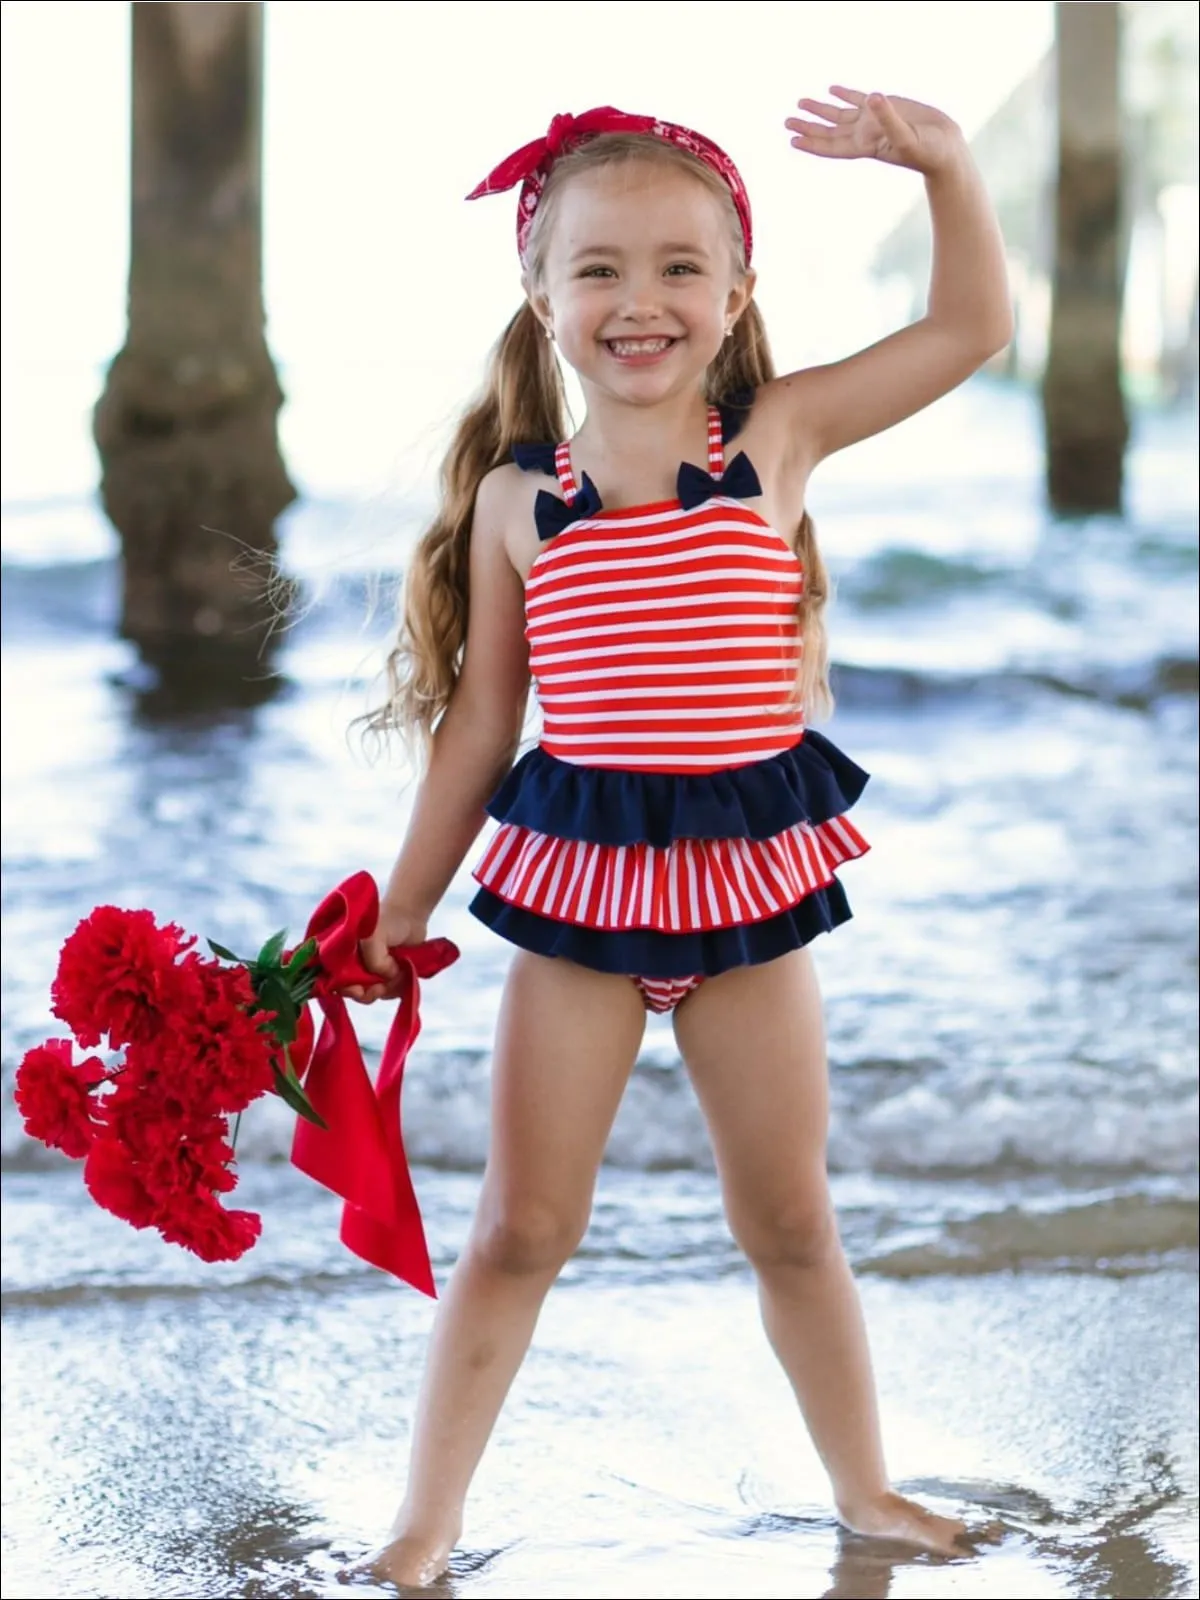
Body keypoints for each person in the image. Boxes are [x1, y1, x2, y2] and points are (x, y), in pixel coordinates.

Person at [345, 91, 1012, 1589]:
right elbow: (480, 725)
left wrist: (948, 166)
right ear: (539, 292)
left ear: (735, 293)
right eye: (598, 270)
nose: (638, 302)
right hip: (578, 908)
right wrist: (404, 904)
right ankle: (424, 1523)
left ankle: (867, 1491)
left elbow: (968, 328)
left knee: (788, 1218)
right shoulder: (522, 504)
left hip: (749, 907)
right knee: (522, 1225)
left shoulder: (777, 441)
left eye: (676, 268)